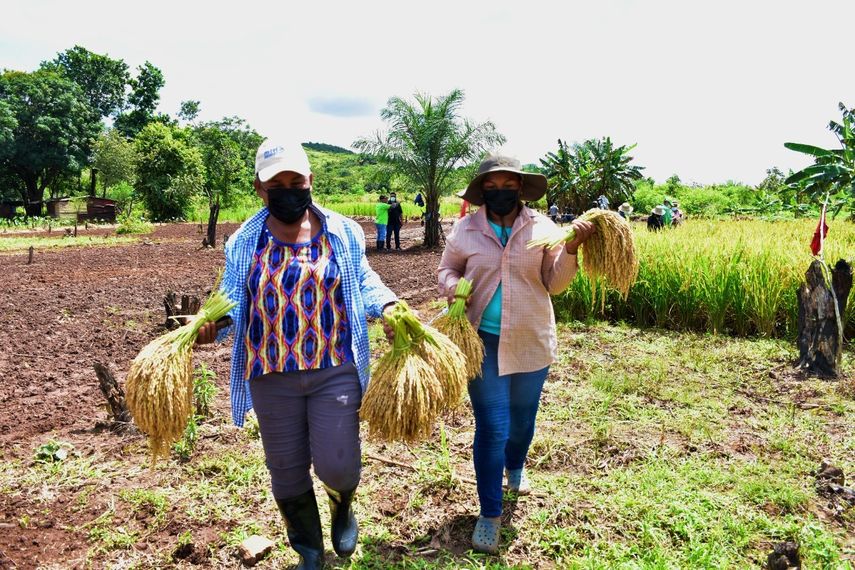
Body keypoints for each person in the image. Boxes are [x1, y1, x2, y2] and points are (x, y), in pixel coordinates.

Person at [196, 138, 397, 569]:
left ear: (310, 181)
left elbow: (363, 282)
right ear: (258, 188)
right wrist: (212, 326)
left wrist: (390, 306)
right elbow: (231, 296)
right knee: (285, 469)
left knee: (338, 463)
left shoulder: (342, 230)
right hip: (271, 374)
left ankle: (341, 504)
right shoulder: (244, 242)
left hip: (334, 368)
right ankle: (307, 546)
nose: (288, 190)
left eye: (296, 181)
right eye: (276, 184)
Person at [437, 155, 595, 554]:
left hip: (530, 339)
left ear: (521, 189)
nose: (500, 192)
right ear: (481, 191)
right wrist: (454, 285)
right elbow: (446, 270)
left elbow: (554, 284)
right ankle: (490, 513)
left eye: (508, 185)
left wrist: (572, 247)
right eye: (492, 186)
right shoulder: (465, 229)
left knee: (523, 418)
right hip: (481, 342)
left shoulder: (543, 228)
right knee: (492, 426)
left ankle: (516, 467)